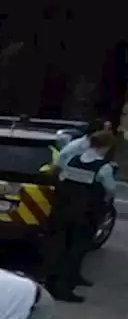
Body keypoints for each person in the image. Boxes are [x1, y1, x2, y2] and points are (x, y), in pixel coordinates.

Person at [44, 128, 117, 303]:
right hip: (86, 215)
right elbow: (111, 189)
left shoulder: (74, 160)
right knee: (76, 250)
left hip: (64, 211)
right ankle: (64, 289)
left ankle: (52, 282)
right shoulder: (103, 167)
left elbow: (62, 178)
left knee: (60, 247)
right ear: (105, 147)